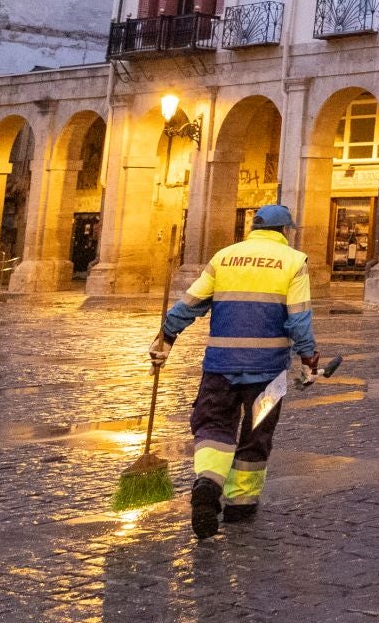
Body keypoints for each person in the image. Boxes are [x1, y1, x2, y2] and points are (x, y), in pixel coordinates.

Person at [149, 203, 321, 540]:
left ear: (254, 228)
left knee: (213, 424)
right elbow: (299, 319)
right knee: (257, 432)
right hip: (269, 372)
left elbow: (190, 304)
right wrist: (308, 358)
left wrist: (166, 338)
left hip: (220, 364)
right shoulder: (293, 262)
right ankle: (241, 503)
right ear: (285, 231)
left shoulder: (223, 257)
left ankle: (208, 482)